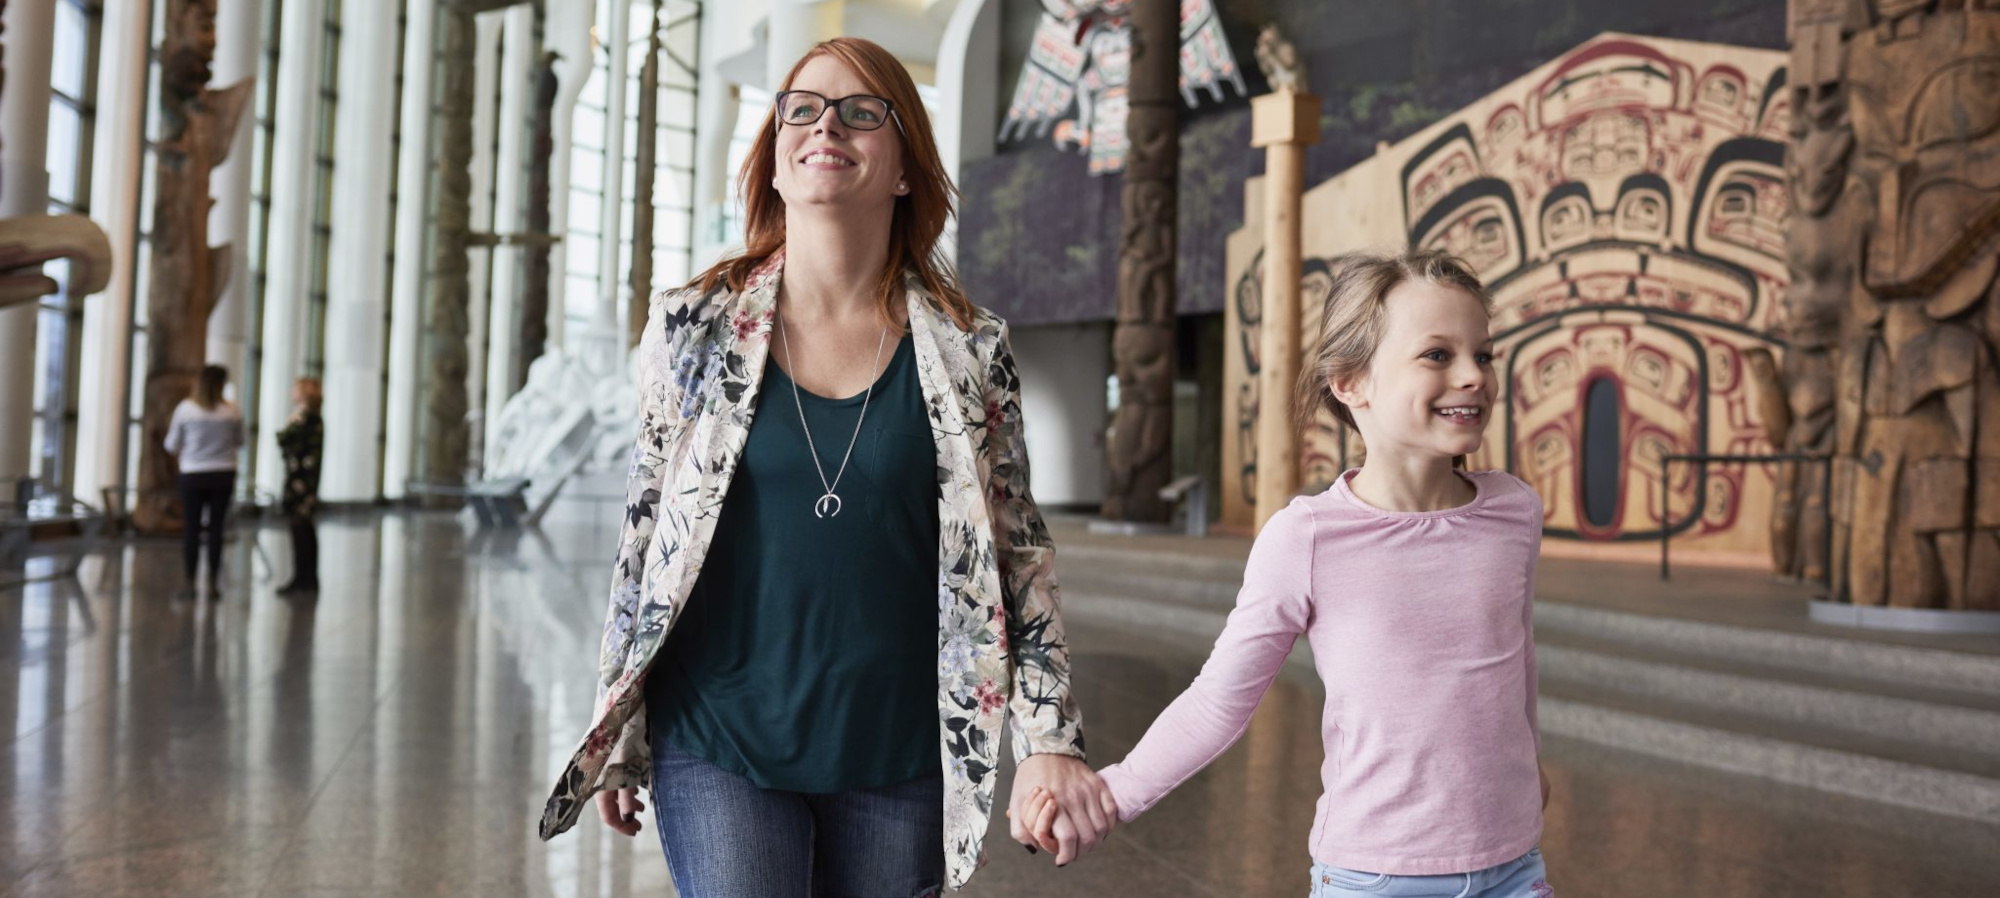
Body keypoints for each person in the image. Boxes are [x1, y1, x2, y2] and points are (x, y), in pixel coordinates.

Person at [536, 36, 1115, 895]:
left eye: (861, 110)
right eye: (801, 108)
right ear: (773, 158)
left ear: (906, 166)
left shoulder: (968, 350)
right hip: (720, 732)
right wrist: (614, 725)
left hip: (900, 750)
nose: (825, 124)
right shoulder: (694, 327)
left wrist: (1049, 739)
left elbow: (1018, 560)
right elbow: (645, 532)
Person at [1039, 250, 1555, 896]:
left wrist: (1530, 759)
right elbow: (1218, 700)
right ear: (1350, 382)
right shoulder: (1307, 536)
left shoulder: (1513, 511)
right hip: (1375, 875)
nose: (1472, 376)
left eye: (1483, 355)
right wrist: (1108, 796)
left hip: (1514, 865)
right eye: (1437, 355)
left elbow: (1516, 657)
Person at [163, 364, 244, 600]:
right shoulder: (232, 411)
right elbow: (240, 440)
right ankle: (212, 584)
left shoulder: (186, 410)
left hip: (193, 475)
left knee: (192, 528)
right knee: (216, 529)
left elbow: (171, 444)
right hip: (223, 473)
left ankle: (189, 583)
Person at [275, 378, 323, 595]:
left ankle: (303, 578)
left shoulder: (304, 418)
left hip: (300, 482)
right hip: (305, 480)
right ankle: (307, 577)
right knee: (304, 528)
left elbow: (283, 439)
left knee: (300, 528)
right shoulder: (313, 418)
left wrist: (289, 424)